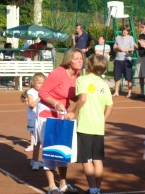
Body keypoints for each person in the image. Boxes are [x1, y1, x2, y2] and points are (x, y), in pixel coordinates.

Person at [36, 48, 83, 194]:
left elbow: (72, 96)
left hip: (62, 114)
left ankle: (63, 184)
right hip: (47, 113)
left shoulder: (77, 74)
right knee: (50, 149)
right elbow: (43, 92)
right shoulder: (58, 73)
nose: (80, 61)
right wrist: (56, 103)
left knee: (63, 149)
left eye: (81, 58)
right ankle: (52, 186)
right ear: (69, 61)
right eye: (76, 58)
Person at [66, 54, 113, 194]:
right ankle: (97, 189)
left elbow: (83, 98)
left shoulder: (82, 79)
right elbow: (110, 106)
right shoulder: (104, 84)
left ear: (90, 65)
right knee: (97, 159)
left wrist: (74, 112)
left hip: (85, 124)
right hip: (98, 125)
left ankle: (93, 189)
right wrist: (103, 120)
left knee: (86, 159)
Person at [21, 73, 46, 170]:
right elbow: (31, 105)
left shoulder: (44, 91)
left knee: (42, 141)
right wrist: (40, 98)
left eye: (43, 83)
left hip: (42, 119)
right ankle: (35, 161)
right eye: (39, 83)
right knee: (37, 142)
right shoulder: (31, 92)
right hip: (34, 119)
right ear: (34, 83)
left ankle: (38, 161)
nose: (41, 85)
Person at [112, 26, 135, 97]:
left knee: (129, 77)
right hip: (118, 60)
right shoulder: (117, 38)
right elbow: (114, 48)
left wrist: (124, 50)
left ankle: (129, 93)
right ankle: (116, 92)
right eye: (123, 30)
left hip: (126, 60)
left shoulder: (130, 38)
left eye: (126, 30)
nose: (124, 31)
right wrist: (117, 48)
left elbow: (132, 49)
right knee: (117, 77)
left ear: (128, 31)